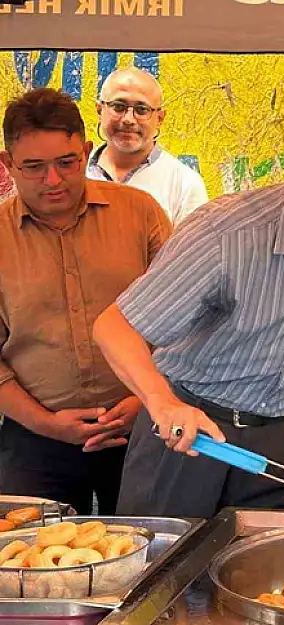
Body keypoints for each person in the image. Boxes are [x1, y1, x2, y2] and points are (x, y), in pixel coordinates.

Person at [91, 117, 284, 518]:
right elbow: (113, 327)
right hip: (195, 432)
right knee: (166, 569)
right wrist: (162, 404)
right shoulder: (227, 232)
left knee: (274, 576)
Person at [0, 88, 172, 514]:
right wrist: (46, 423)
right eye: (34, 167)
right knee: (34, 571)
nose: (53, 180)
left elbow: (187, 323)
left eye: (66, 162)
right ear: (7, 165)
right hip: (35, 437)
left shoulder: (140, 213)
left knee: (155, 559)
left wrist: (147, 399)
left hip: (143, 426)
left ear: (87, 150)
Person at [87, 67, 209, 225]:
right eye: (118, 106)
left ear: (159, 118)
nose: (128, 119)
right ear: (99, 110)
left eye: (141, 110)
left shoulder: (184, 184)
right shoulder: (77, 173)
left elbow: (193, 249)